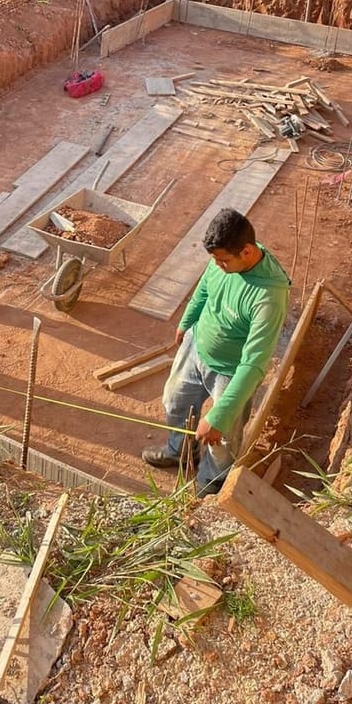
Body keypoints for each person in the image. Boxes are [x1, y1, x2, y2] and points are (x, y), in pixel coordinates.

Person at [142, 208, 290, 496]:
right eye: (215, 260)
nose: (218, 265)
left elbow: (254, 364)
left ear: (247, 252)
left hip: (231, 371)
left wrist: (220, 416)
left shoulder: (268, 297)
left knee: (221, 440)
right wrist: (187, 322)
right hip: (197, 347)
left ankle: (211, 484)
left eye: (223, 261)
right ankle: (179, 451)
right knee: (174, 402)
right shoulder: (222, 259)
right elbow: (204, 290)